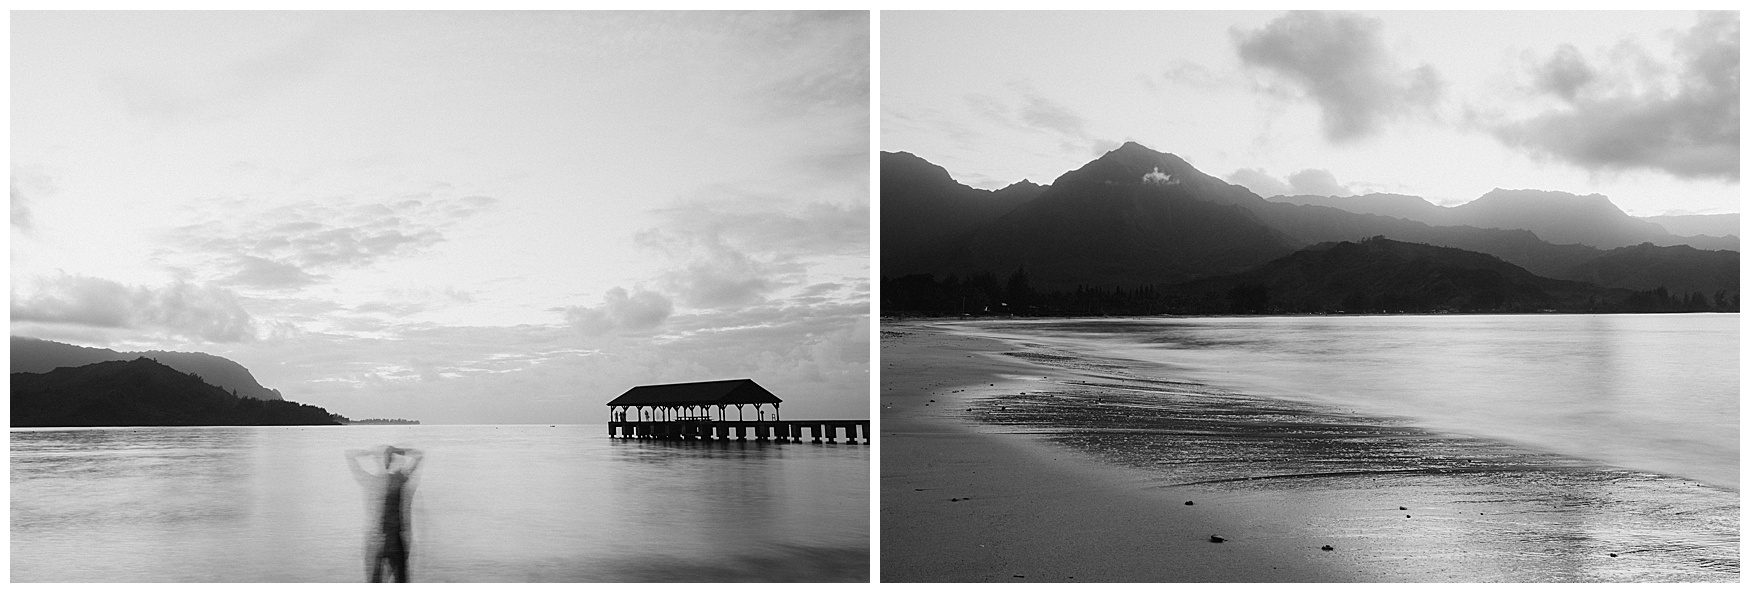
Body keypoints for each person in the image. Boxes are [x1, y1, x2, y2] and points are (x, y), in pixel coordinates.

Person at [347, 445, 423, 583]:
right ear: (393, 462)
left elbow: (350, 456)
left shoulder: (373, 481)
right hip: (396, 541)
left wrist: (368, 452)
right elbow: (418, 455)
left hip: (378, 541)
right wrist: (397, 450)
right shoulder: (399, 480)